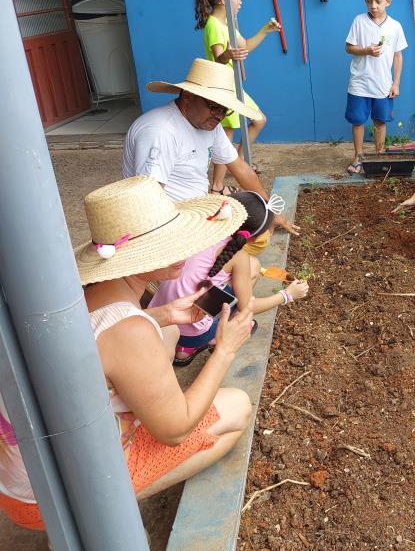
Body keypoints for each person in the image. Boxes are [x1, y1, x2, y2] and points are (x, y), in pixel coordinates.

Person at [0, 176, 255, 531]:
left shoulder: (76, 292)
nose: (185, 248)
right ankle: (102, 511)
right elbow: (175, 431)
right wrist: (224, 351)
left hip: (20, 474)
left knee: (165, 331)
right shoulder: (129, 330)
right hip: (50, 497)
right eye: (170, 241)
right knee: (238, 407)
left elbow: (98, 337)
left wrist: (163, 315)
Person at [123, 58, 299, 236]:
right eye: (214, 106)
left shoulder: (208, 124)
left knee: (255, 232)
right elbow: (148, 200)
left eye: (225, 110)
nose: (220, 115)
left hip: (196, 213)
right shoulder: (161, 131)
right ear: (188, 96)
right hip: (168, 225)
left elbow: (240, 168)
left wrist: (270, 213)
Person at [150, 191, 309, 365]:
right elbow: (248, 306)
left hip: (159, 319)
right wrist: (287, 294)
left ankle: (183, 348)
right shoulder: (237, 257)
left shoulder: (198, 230)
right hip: (194, 334)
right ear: (254, 237)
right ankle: (215, 337)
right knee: (253, 267)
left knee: (249, 267)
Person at [194, 0, 280, 192]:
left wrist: (265, 31)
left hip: (232, 86)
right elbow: (218, 58)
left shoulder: (227, 24)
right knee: (227, 136)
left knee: (258, 120)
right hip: (222, 87)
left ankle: (238, 161)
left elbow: (245, 46)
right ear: (223, 0)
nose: (241, 1)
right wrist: (229, 55)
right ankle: (217, 185)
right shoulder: (213, 25)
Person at [345, 0, 408, 174]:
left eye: (378, 1)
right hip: (359, 83)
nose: (373, 5)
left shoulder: (395, 26)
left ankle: (379, 154)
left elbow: (398, 56)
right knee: (358, 121)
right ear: (365, 0)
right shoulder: (359, 21)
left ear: (388, 1)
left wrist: (396, 82)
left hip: (383, 84)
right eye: (369, 0)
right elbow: (349, 48)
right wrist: (366, 51)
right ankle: (358, 157)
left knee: (380, 121)